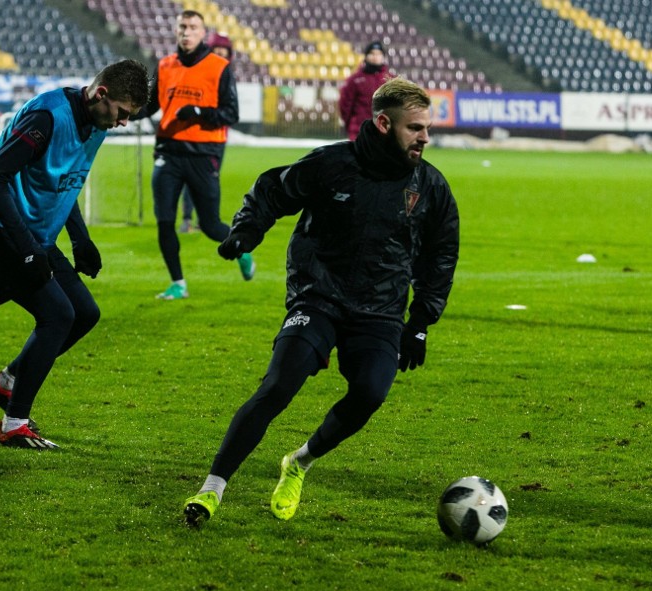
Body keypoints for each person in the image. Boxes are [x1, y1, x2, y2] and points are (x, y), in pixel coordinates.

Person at [183, 78, 460, 527]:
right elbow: (273, 188)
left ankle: (299, 462)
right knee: (278, 386)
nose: (425, 138)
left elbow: (441, 254)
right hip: (319, 295)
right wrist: (247, 230)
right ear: (384, 123)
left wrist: (422, 320)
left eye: (427, 128)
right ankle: (211, 488)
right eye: (415, 128)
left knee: (370, 392)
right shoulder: (334, 164)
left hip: (381, 310)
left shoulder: (430, 185)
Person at [0, 60, 150, 449]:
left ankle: (7, 382)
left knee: (85, 313)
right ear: (101, 94)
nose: (123, 123)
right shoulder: (47, 117)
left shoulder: (96, 124)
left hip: (31, 234)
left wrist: (80, 239)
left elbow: (66, 183)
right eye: (122, 113)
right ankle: (13, 423)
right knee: (58, 315)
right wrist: (28, 250)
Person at [142, 11, 249, 300]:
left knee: (211, 226)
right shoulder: (164, 65)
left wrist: (198, 112)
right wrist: (123, 112)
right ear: (176, 31)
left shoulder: (219, 67)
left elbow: (231, 113)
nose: (186, 32)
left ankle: (241, 249)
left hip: (203, 155)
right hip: (167, 152)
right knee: (164, 221)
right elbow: (151, 106)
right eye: (182, 27)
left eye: (192, 27)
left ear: (203, 33)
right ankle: (178, 283)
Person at [179, 31, 234, 234]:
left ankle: (207, 220)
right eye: (217, 50)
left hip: (218, 137)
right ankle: (187, 218)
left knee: (211, 178)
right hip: (197, 134)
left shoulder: (227, 76)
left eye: (224, 51)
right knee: (192, 177)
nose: (221, 54)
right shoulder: (200, 72)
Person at [339, 40, 394, 141]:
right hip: (359, 131)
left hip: (383, 132)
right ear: (366, 56)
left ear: (383, 57)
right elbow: (345, 106)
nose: (375, 57)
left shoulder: (390, 80)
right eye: (372, 53)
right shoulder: (354, 80)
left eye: (378, 54)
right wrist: (350, 126)